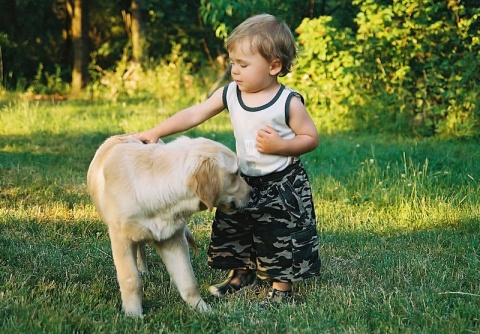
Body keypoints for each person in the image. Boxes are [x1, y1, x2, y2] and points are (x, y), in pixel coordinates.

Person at [134, 13, 321, 304]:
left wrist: (280, 145)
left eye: (243, 64)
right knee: (236, 228)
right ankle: (240, 275)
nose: (235, 70)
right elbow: (195, 113)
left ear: (274, 66)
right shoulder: (231, 93)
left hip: (280, 183)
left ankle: (282, 291)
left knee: (279, 235)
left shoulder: (288, 102)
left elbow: (310, 137)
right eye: (233, 62)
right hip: (242, 178)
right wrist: (156, 131)